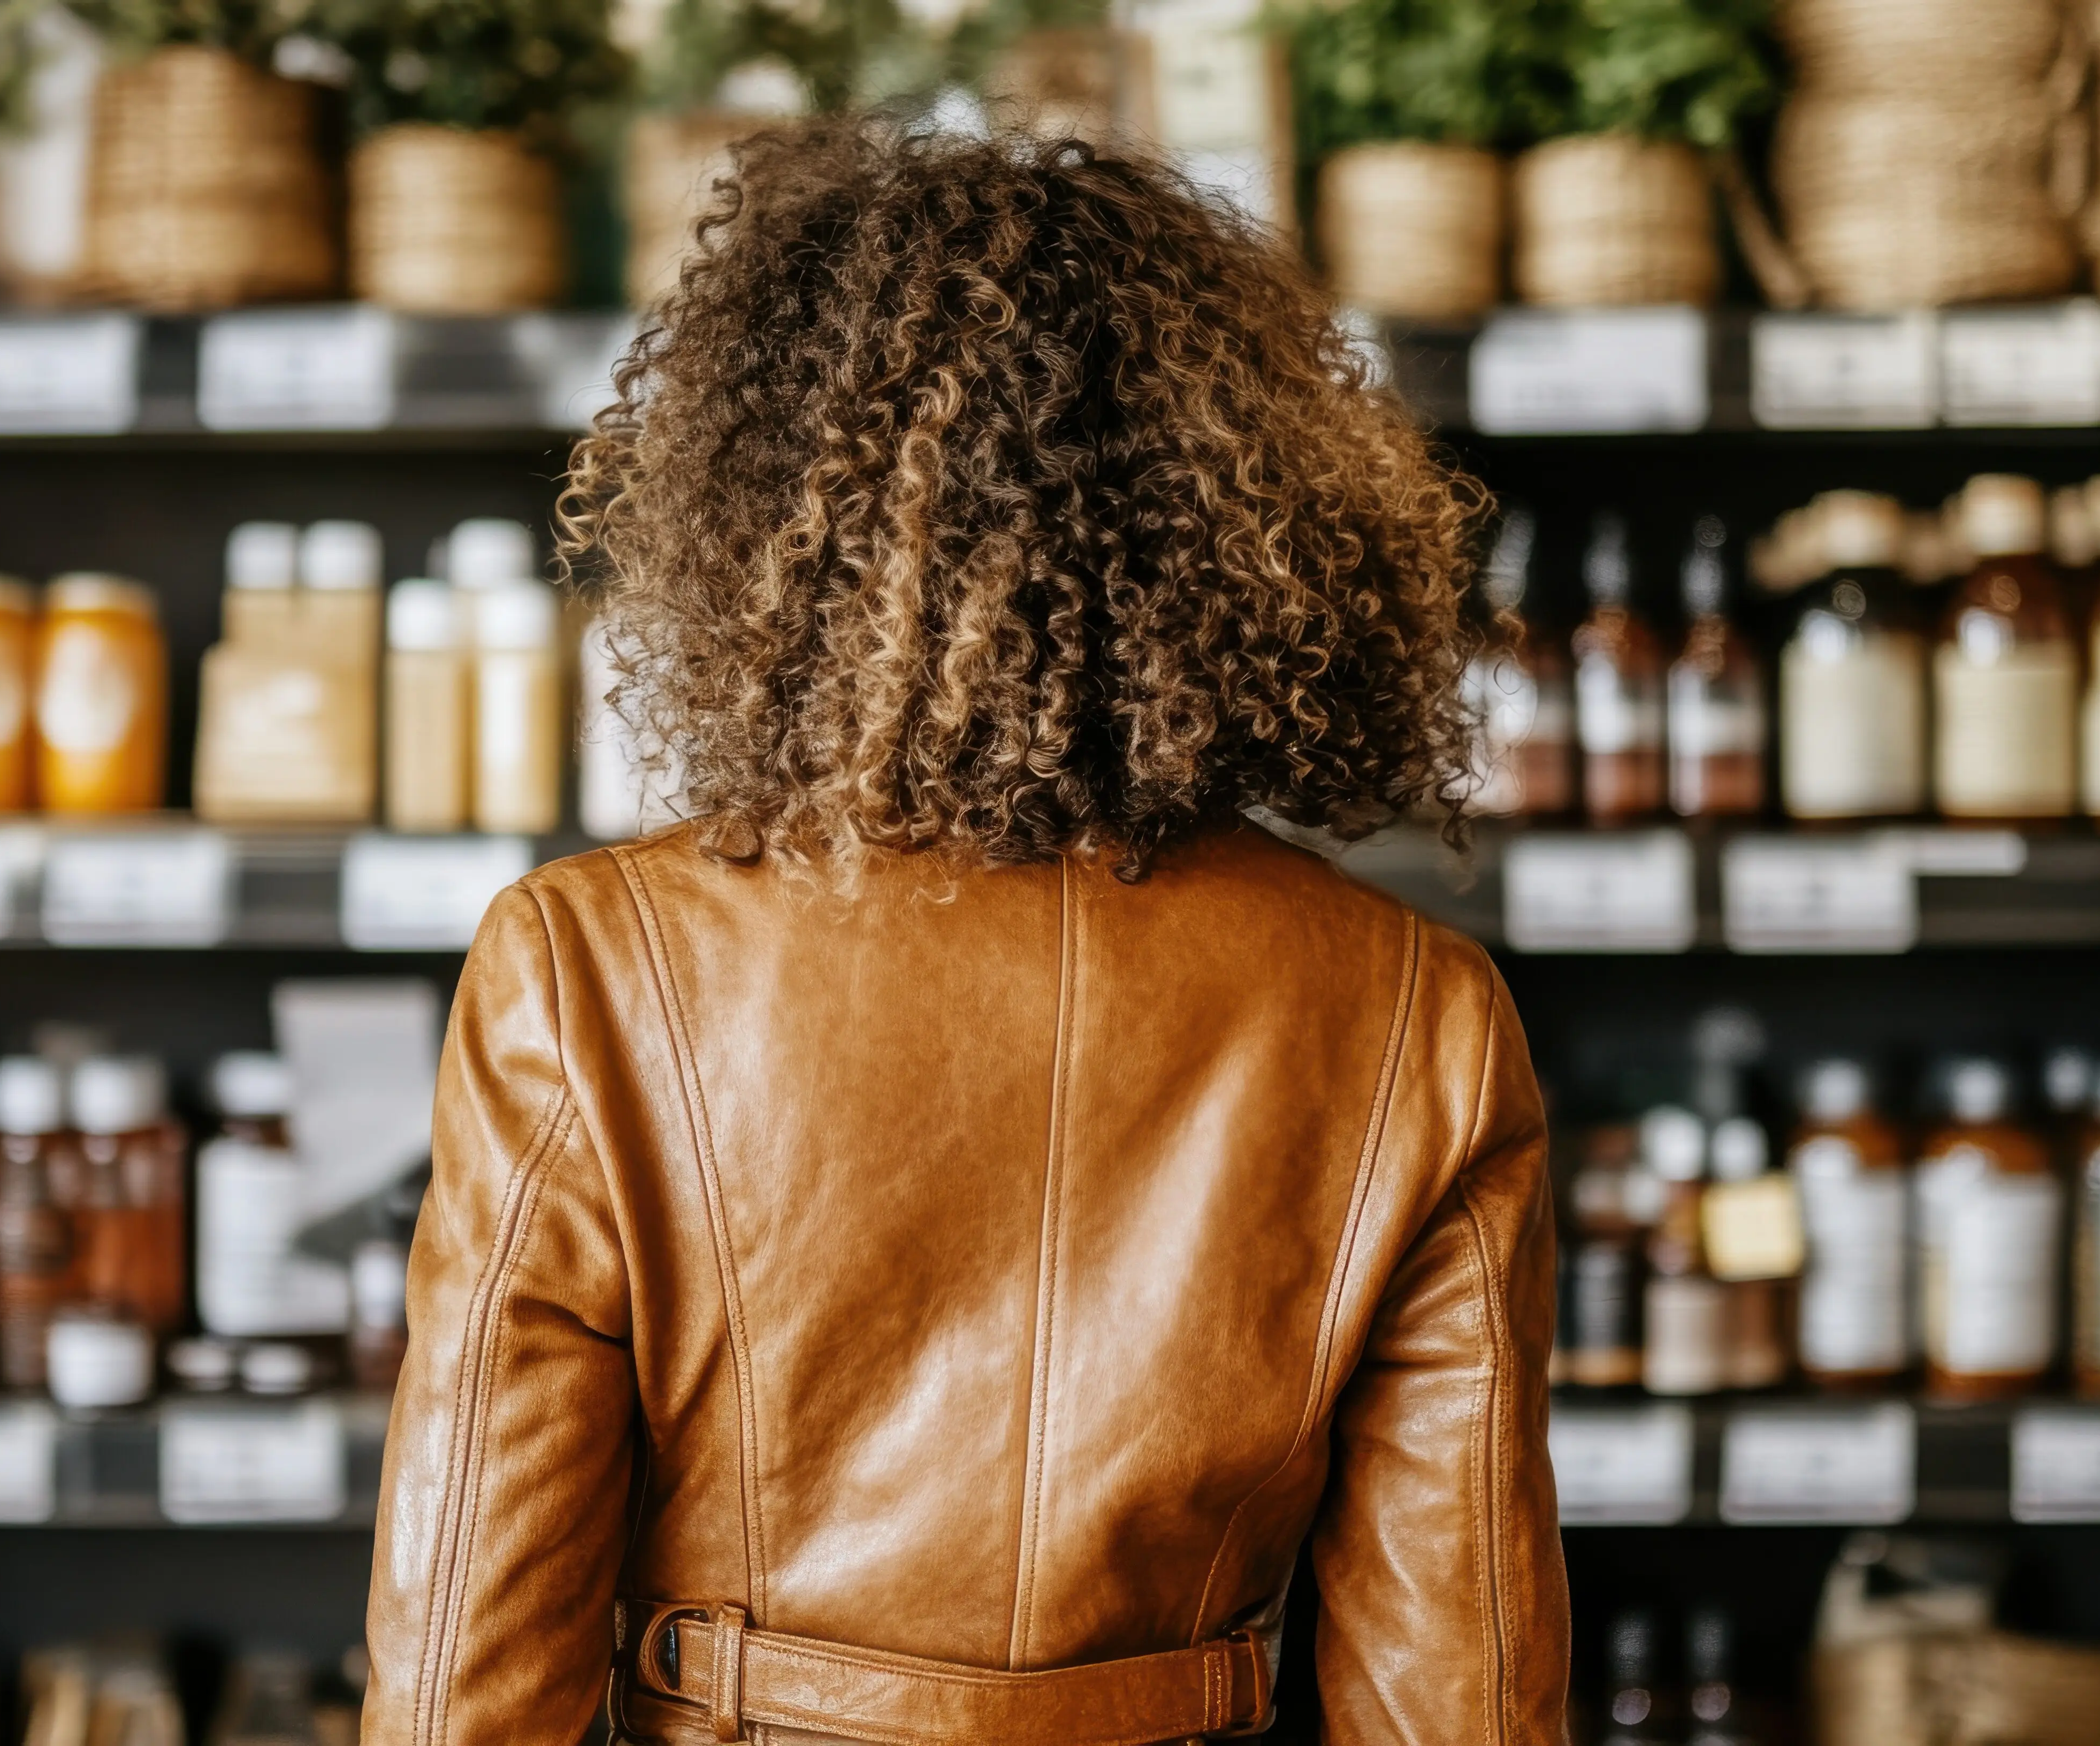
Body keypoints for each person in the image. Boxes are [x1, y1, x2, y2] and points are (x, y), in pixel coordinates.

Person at [362, 118, 1563, 1746]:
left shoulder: (590, 968)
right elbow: (1461, 1690)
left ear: (763, 518)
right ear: (1250, 526)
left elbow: (466, 1666)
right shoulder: (1419, 1014)